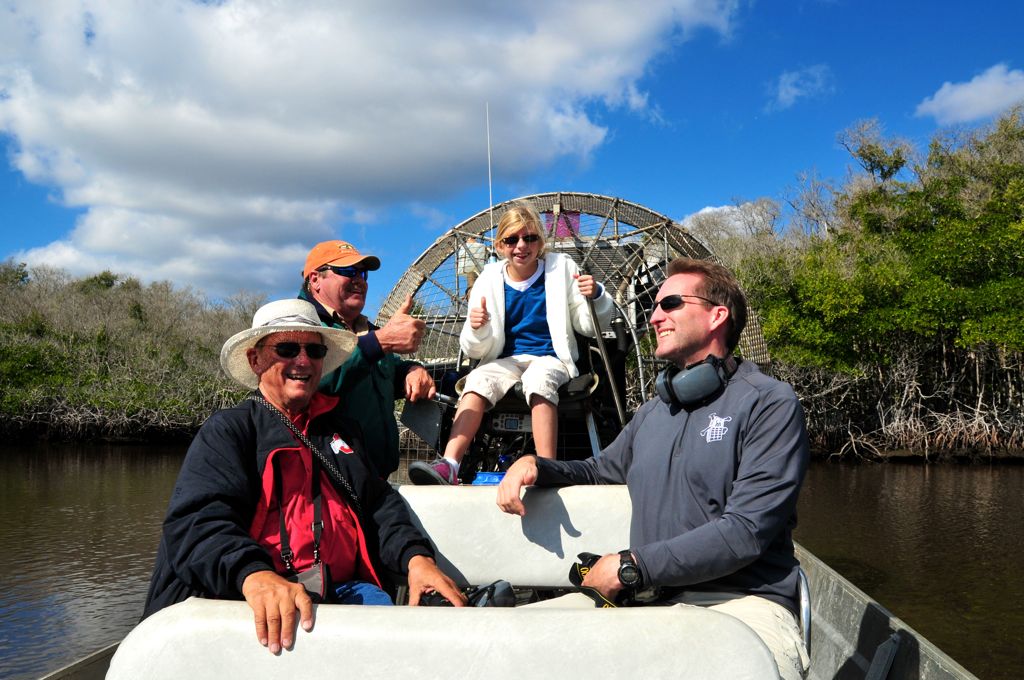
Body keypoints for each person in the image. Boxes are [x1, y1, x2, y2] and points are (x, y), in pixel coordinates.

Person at [495, 258, 810, 680]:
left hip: (744, 601)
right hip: (650, 599)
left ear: (718, 316)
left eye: (672, 303)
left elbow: (745, 531)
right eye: (655, 307)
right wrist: (536, 464)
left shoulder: (769, 403)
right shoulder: (653, 412)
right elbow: (597, 469)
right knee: (510, 655)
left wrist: (632, 565)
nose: (655, 316)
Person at [143, 299, 465, 654]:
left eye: (314, 351)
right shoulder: (229, 431)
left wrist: (416, 559)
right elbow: (196, 523)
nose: (303, 361)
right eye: (286, 349)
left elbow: (379, 505)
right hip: (247, 601)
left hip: (345, 593)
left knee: (411, 652)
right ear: (255, 361)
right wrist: (254, 575)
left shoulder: (341, 431)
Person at [408, 203, 613, 485]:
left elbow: (587, 325)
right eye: (511, 239)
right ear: (500, 245)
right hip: (504, 361)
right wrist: (476, 327)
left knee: (539, 380)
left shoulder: (562, 268)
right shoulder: (489, 278)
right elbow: (474, 350)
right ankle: (451, 463)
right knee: (477, 380)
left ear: (541, 242)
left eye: (530, 238)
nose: (521, 246)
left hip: (550, 358)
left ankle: (547, 467)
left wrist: (597, 296)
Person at [299, 240, 435, 479]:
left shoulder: (368, 330)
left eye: (362, 273)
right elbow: (315, 378)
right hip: (323, 479)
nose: (359, 279)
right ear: (315, 279)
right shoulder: (299, 325)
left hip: (375, 477)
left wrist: (411, 370)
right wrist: (380, 342)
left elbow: (387, 373)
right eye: (347, 271)